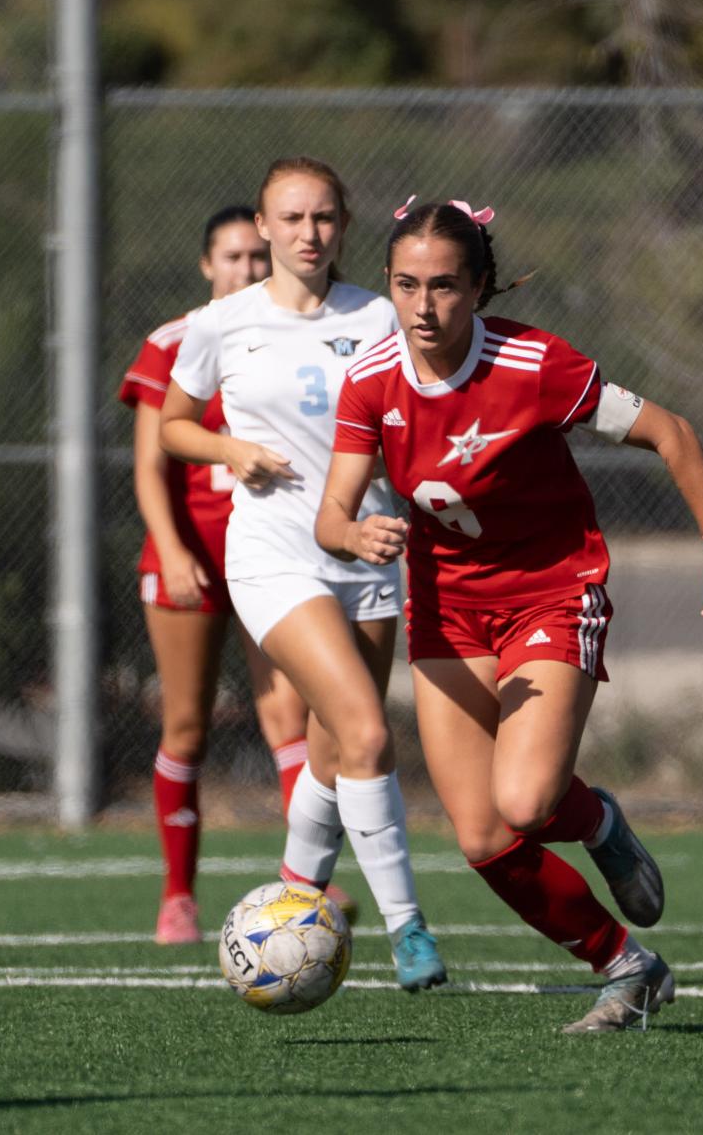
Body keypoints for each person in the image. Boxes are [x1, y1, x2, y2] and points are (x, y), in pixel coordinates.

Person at [317, 196, 703, 1032]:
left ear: (478, 286)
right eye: (405, 285)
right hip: (447, 612)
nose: (422, 305)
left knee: (524, 803)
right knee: (482, 837)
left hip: (553, 592)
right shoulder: (370, 379)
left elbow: (672, 432)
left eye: (443, 286)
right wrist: (353, 533)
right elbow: (332, 516)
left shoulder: (533, 362)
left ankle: (592, 818)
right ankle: (626, 966)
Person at [159, 158, 445, 990]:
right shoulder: (220, 323)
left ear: (344, 225)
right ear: (262, 225)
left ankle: (293, 897)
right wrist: (228, 447)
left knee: (330, 752)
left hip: (371, 555)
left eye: (322, 219)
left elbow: (420, 416)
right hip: (272, 555)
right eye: (290, 220)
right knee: (365, 730)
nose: (307, 234)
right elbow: (173, 427)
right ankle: (409, 930)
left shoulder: (383, 316)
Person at [121, 205, 324, 944]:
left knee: (288, 719)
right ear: (208, 266)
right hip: (194, 560)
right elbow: (151, 463)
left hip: (271, 554)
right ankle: (178, 896)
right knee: (185, 723)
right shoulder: (178, 341)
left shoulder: (294, 336)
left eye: (253, 255)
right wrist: (172, 550)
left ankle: (306, 889)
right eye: (230, 257)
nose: (244, 267)